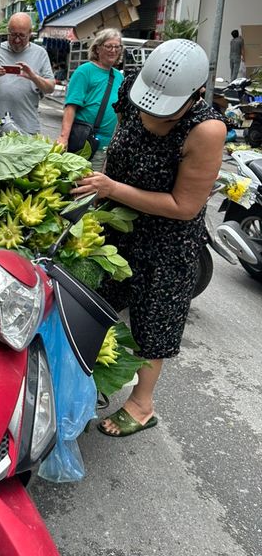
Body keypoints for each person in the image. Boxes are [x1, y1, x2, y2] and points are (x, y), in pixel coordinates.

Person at [71, 39, 226, 438]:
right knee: (93, 304)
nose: (150, 113)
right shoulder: (132, 88)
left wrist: (112, 189)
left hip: (166, 240)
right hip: (115, 223)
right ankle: (89, 379)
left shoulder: (206, 129)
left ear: (195, 95)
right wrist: (98, 181)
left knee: (151, 323)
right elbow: (119, 139)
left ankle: (142, 404)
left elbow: (184, 205)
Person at [0, 12, 55, 134]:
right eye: (13, 35)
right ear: (8, 31)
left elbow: (50, 87)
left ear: (30, 32)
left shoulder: (40, 53)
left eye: (22, 36)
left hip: (28, 129)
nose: (17, 40)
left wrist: (33, 77)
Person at [57, 28, 124, 171]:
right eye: (108, 46)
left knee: (94, 187)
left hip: (106, 146)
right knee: (77, 185)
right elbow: (71, 107)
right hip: (82, 141)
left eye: (117, 47)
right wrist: (63, 138)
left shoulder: (119, 77)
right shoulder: (85, 71)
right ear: (97, 49)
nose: (113, 50)